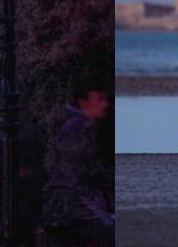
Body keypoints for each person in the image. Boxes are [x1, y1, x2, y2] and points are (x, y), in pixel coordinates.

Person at [42, 78, 114, 245]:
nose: (105, 104)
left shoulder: (79, 126)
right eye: (99, 99)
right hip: (74, 207)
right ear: (83, 102)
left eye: (106, 99)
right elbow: (84, 172)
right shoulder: (78, 128)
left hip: (72, 206)